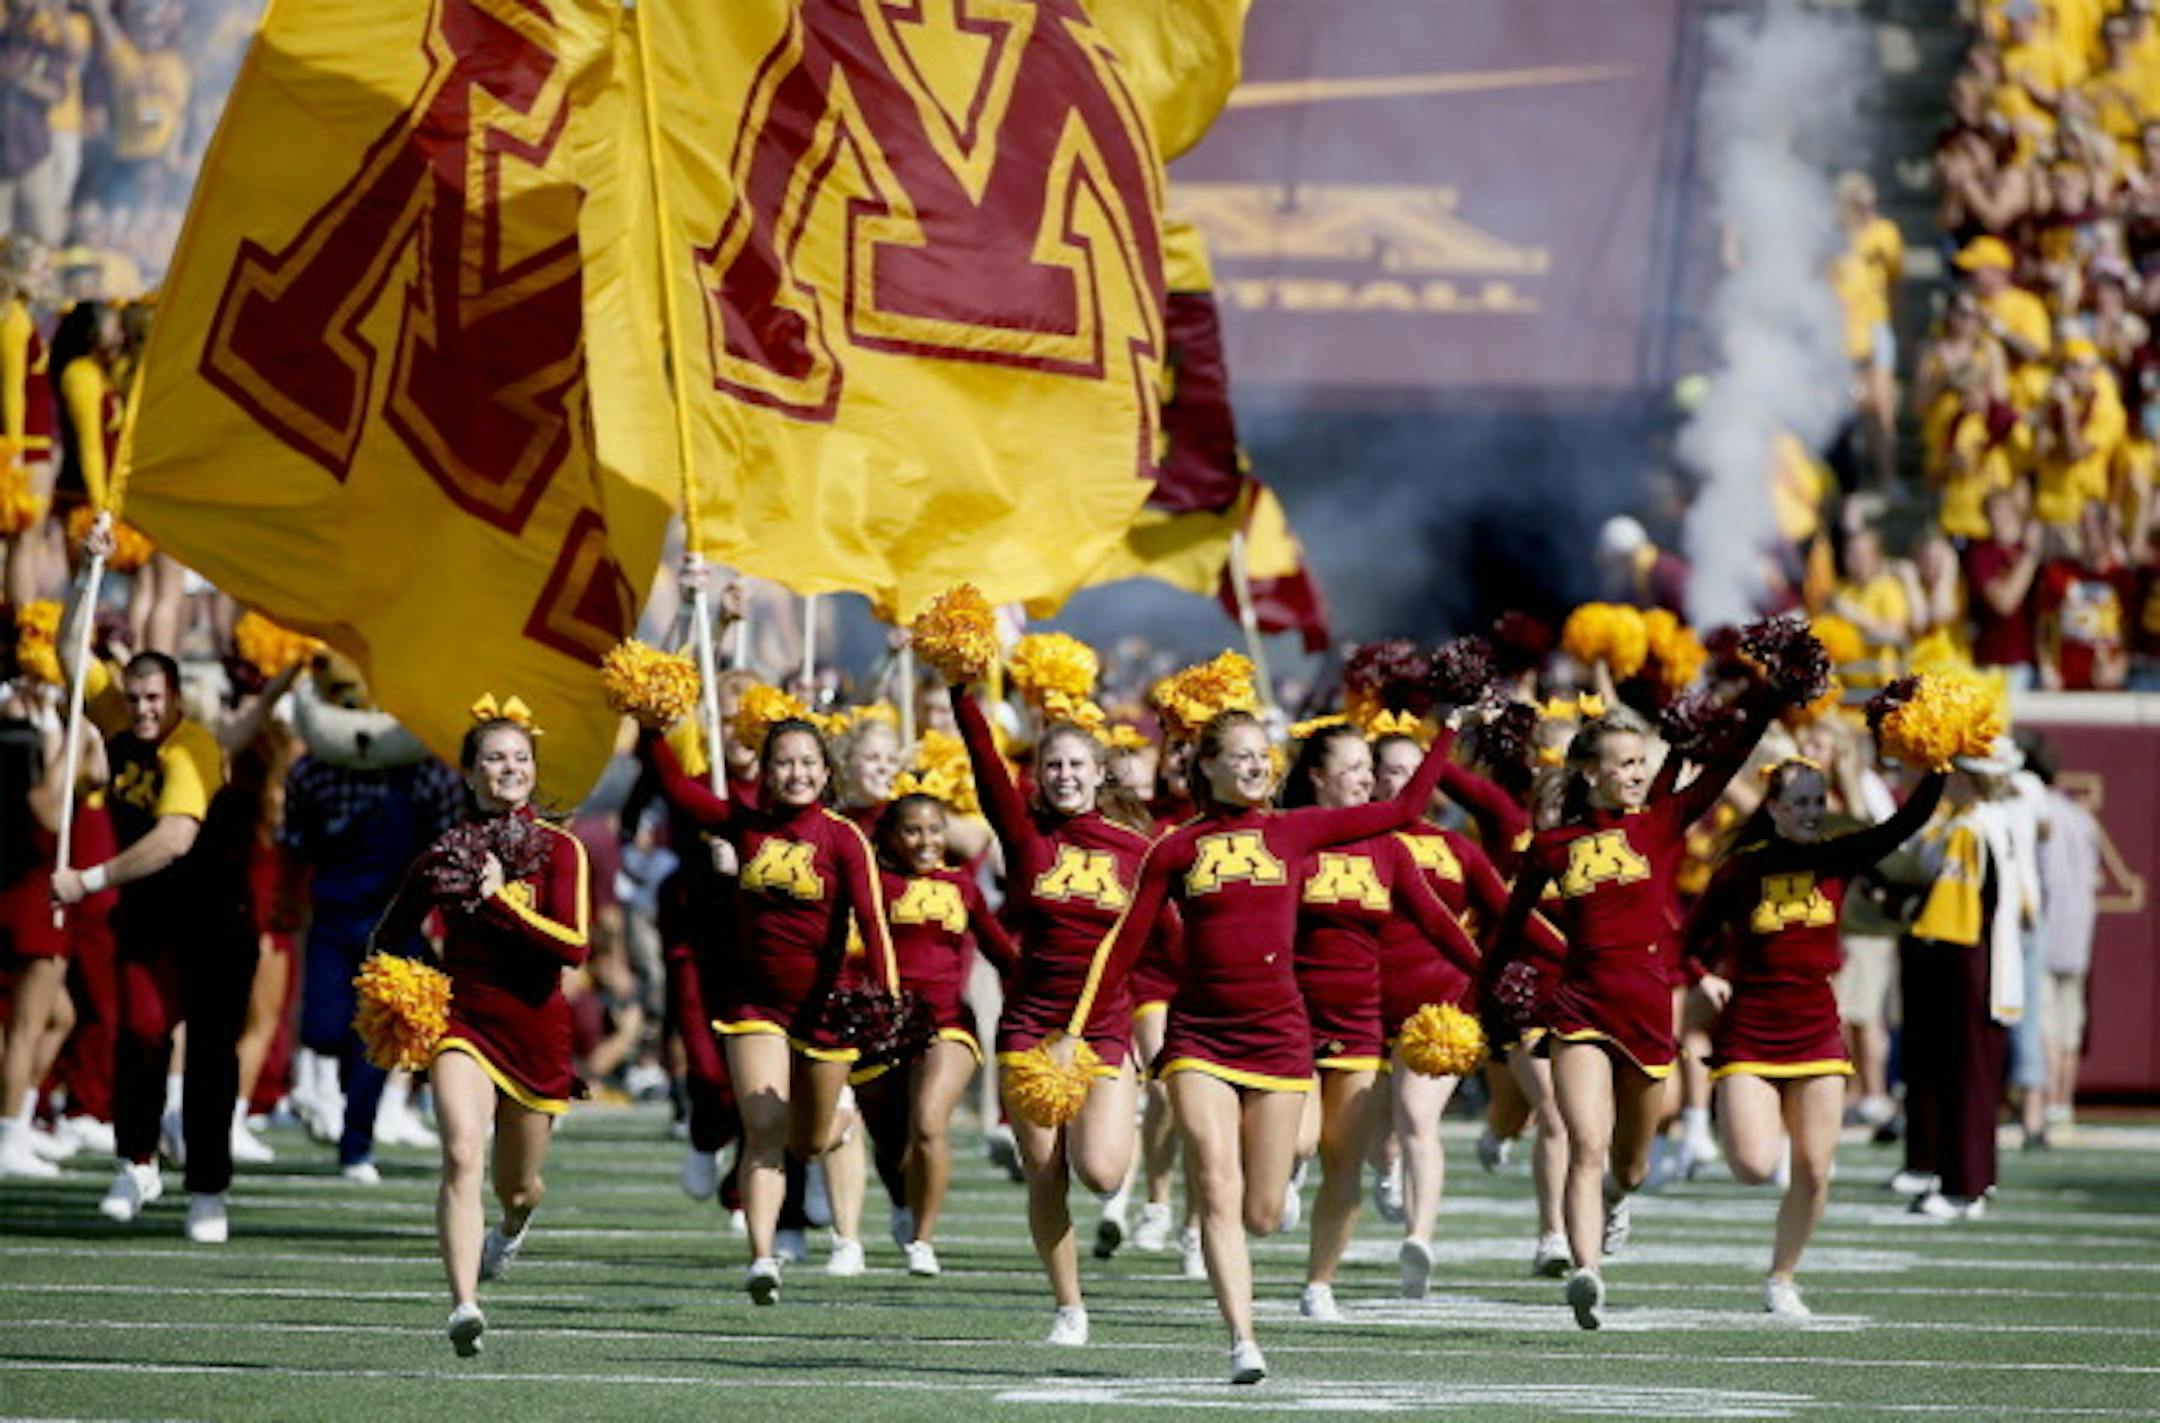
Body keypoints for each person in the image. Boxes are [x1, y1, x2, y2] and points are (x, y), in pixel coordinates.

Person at [1071, 708, 1455, 1384]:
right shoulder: (1175, 848)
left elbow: (1407, 806)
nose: (1255, 766)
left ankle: (1260, 1256)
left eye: (1262, 755)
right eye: (1241, 755)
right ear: (1208, 765)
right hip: (1199, 1039)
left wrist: (1448, 726)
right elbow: (1123, 944)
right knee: (1217, 1183)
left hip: (1280, 1037)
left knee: (1264, 1211)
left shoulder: (1293, 828)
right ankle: (1242, 1341)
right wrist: (1075, 1035)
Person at [1486, 691, 1769, 1331]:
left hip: (1647, 1010)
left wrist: (1768, 699)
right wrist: (1489, 1001)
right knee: (1585, 1143)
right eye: (1625, 763)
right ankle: (1587, 1271)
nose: (1639, 773)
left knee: (1630, 1163)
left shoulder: (1662, 824)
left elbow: (1725, 767)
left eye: (1643, 762)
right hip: (1579, 1005)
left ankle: (1619, 1198)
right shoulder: (1553, 847)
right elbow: (1506, 935)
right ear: (1591, 772)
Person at [644, 715, 898, 1305]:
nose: (796, 773)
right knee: (762, 1129)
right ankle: (761, 1256)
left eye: (808, 762)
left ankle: (841, 1119)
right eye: (784, 762)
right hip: (756, 1003)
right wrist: (651, 728)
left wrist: (887, 996)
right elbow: (681, 793)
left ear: (826, 770)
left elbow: (874, 922)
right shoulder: (744, 825)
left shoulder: (843, 837)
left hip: (825, 1009)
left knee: (807, 1142)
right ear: (766, 769)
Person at [1684, 758, 1945, 1318]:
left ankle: (1782, 1277)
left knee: (1816, 1169)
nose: (1809, 812)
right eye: (1798, 802)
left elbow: (1902, 826)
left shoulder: (1836, 856)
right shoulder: (1739, 872)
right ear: (1774, 808)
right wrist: (1704, 979)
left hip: (1815, 1032)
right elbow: (1687, 941)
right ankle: (1731, 1127)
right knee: (1754, 1166)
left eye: (1816, 801)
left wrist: (1938, 767)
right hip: (1752, 1030)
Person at [368, 700, 591, 1356]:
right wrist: (418, 989)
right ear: (469, 773)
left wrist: (497, 900)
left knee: (517, 1185)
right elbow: (388, 935)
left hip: (536, 1031)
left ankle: (513, 1227)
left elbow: (573, 947)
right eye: (494, 757)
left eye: (520, 757)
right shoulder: (444, 852)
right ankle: (464, 1302)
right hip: (463, 1021)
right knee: (462, 1150)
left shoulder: (562, 848)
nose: (509, 767)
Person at [947, 680, 1159, 1345]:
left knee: (1102, 1171)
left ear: (1100, 773)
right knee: (1045, 1173)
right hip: (1031, 1027)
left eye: (1077, 764)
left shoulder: (1137, 851)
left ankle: (1125, 1146)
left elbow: (1173, 935)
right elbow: (983, 764)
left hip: (1102, 1028)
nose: (1065, 775)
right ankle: (1068, 1304)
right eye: (1053, 765)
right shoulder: (1026, 835)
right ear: (1038, 776)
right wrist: (961, 690)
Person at [50, 528, 239, 1240]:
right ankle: (135, 1160)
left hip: (215, 917)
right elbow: (73, 655)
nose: (143, 709)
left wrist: (88, 879)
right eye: (134, 697)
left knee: (212, 1055)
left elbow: (173, 838)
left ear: (177, 696)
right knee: (140, 1035)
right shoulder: (119, 715)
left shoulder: (193, 744)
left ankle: (209, 1189)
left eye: (154, 697)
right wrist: (87, 571)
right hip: (151, 917)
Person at [1282, 723, 1480, 1321]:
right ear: (1317, 777)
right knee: (1298, 1141)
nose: (1367, 779)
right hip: (1291, 1018)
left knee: (1345, 1158)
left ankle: (1320, 1284)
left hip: (1360, 1022)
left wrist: (1488, 971)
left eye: (1371, 768)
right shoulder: (1291, 838)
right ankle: (1278, 1176)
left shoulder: (1388, 848)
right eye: (1353, 768)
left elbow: (1442, 923)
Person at [1372, 728, 1568, 1284]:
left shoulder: (1458, 849)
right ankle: (1381, 1168)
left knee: (1417, 1119)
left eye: (1419, 769)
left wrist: (1573, 955)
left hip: (1439, 1006)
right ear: (1370, 777)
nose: (1409, 780)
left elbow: (1509, 915)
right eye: (1394, 770)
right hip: (1357, 1008)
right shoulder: (1350, 843)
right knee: (1358, 1139)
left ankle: (1418, 1239)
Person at [855, 791, 1018, 1276]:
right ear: (890, 836)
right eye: (913, 830)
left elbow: (999, 950)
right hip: (881, 1025)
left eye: (934, 829)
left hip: (950, 1021)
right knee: (890, 1143)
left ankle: (923, 1240)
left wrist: (1047, 982)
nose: (926, 841)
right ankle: (902, 1204)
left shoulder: (962, 886)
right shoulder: (873, 884)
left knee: (928, 1122)